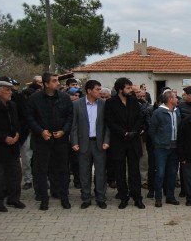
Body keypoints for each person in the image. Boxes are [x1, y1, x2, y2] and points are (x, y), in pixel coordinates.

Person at [25, 73, 73, 211]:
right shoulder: (35, 98)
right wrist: (41, 131)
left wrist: (64, 131)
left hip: (60, 140)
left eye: (57, 80)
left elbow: (70, 116)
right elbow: (30, 118)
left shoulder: (64, 97)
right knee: (41, 171)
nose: (57, 83)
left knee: (63, 170)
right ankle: (43, 199)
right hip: (42, 140)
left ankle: (64, 198)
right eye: (54, 81)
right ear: (46, 84)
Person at [105, 77, 145, 209]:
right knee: (120, 172)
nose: (130, 90)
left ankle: (137, 197)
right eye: (128, 88)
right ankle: (123, 197)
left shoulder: (134, 101)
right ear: (120, 89)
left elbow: (140, 119)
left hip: (133, 141)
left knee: (135, 171)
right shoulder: (110, 103)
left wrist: (133, 132)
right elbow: (110, 122)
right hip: (119, 142)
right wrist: (124, 133)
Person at [70, 80, 110, 209]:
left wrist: (106, 141)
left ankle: (100, 197)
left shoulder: (103, 105)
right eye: (97, 89)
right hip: (83, 144)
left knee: (100, 172)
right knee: (84, 172)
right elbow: (74, 125)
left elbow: (107, 126)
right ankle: (86, 198)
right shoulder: (77, 105)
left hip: (99, 144)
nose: (100, 91)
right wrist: (74, 142)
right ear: (89, 91)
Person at [0, 80, 25, 212]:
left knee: (16, 174)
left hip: (13, 147)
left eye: (11, 90)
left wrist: (17, 134)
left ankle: (14, 199)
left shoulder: (12, 105)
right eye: (7, 90)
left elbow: (17, 123)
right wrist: (4, 137)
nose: (11, 92)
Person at [150, 90, 180, 207]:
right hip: (161, 148)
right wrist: (158, 142)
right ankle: (158, 198)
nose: (177, 99)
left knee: (172, 173)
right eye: (175, 97)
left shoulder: (177, 112)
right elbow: (152, 131)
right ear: (170, 99)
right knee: (160, 173)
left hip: (175, 147)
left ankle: (170, 197)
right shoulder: (158, 112)